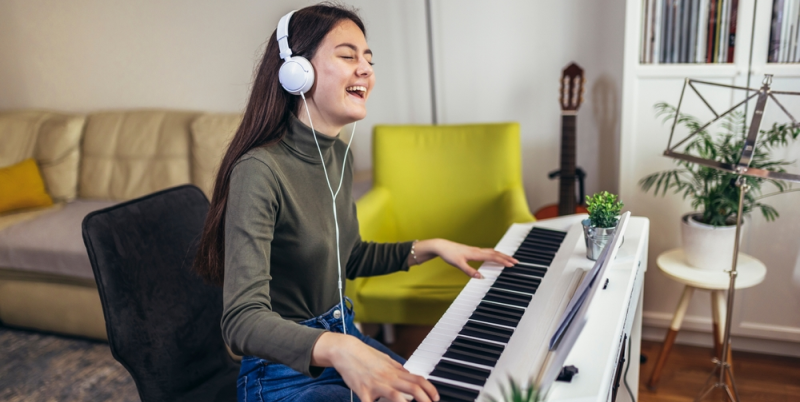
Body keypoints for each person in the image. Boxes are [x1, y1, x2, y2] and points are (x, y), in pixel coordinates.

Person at [194, 4, 517, 402]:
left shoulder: (338, 156)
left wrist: (430, 247)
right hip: (280, 372)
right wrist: (339, 347)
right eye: (347, 56)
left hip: (343, 339)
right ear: (297, 71)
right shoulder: (259, 170)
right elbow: (242, 322)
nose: (365, 69)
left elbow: (349, 257)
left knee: (439, 394)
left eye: (368, 59)